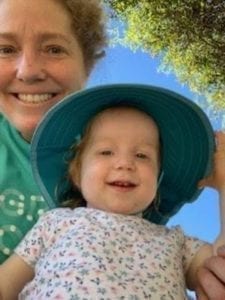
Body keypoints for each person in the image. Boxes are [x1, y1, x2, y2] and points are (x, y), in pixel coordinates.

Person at [0, 84, 224, 299]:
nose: (125, 163)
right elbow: (5, 286)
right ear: (77, 174)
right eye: (106, 152)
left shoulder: (176, 242)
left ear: (157, 182)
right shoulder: (55, 223)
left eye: (142, 156)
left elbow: (219, 268)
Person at [0, 0, 106, 263]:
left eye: (54, 49)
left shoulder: (122, 163)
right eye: (5, 49)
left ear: (87, 65)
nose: (28, 71)